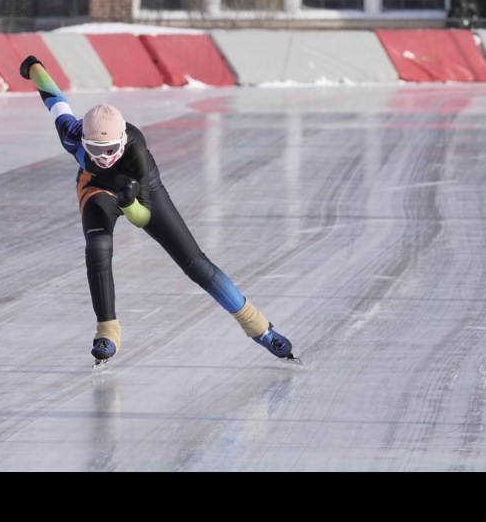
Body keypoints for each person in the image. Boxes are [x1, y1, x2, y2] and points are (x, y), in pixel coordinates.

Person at [18, 55, 297, 364]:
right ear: (82, 139)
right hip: (96, 188)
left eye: (111, 150)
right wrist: (34, 68)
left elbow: (143, 218)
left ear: (123, 142)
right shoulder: (71, 133)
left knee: (194, 262)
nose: (104, 158)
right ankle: (107, 331)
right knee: (97, 248)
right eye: (95, 150)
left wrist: (127, 200)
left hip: (141, 191)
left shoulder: (136, 150)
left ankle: (258, 327)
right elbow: (55, 100)